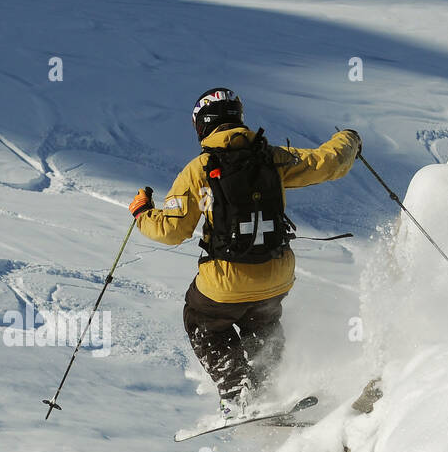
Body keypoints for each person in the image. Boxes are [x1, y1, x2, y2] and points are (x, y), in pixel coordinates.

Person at [129, 87, 360, 417]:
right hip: (278, 273)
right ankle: (265, 387)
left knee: (202, 319)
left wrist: (142, 213)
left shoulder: (198, 170)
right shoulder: (273, 158)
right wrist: (350, 139)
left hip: (226, 281)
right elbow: (328, 162)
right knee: (262, 319)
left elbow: (171, 230)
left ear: (202, 126)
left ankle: (237, 394)